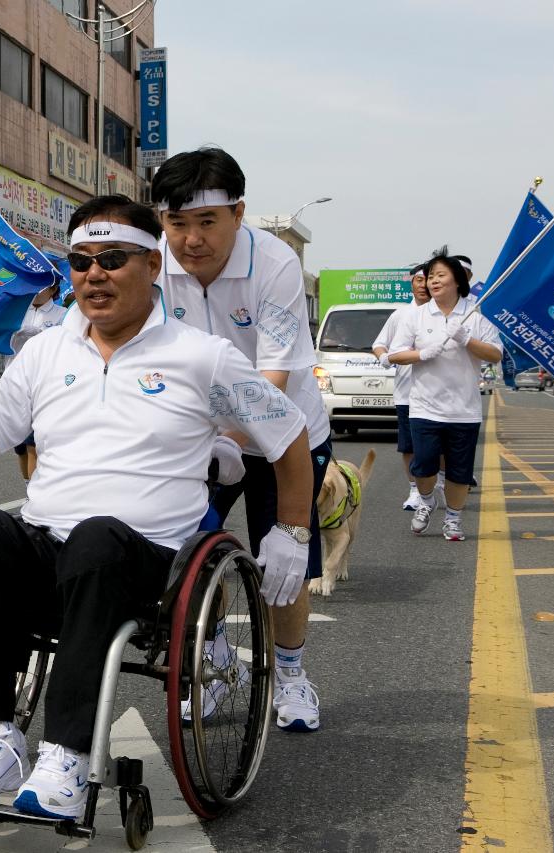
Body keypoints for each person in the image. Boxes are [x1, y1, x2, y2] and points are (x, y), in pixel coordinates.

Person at [0, 195, 314, 819]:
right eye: (82, 261)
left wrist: (293, 530)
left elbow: (288, 433)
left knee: (96, 539)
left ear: (151, 264)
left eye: (113, 259)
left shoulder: (202, 356)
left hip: (147, 566)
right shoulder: (46, 352)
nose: (94, 275)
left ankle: (65, 752)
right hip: (51, 553)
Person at [151, 147, 332, 733]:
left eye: (207, 222)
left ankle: (292, 673)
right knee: (183, 559)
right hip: (198, 438)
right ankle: (214, 656)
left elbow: (273, 384)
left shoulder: (274, 264)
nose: (191, 240)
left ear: (238, 213)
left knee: (283, 571)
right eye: (177, 223)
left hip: (285, 439)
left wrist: (232, 435)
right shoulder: (152, 265)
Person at [388, 250, 502, 541]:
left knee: (459, 471)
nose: (433, 282)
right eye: (430, 277)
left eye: (441, 275)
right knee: (423, 463)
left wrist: (466, 339)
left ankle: (453, 518)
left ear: (457, 281)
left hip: (464, 409)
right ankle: (426, 500)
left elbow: (495, 354)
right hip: (425, 406)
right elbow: (395, 354)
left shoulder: (475, 315)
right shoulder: (416, 316)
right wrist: (421, 353)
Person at [373, 264, 431, 510]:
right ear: (412, 283)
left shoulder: (443, 314)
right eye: (419, 280)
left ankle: (434, 486)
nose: (423, 285)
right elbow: (379, 345)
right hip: (407, 394)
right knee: (408, 446)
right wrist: (385, 358)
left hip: (436, 394)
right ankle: (415, 490)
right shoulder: (400, 315)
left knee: (433, 448)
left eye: (428, 280)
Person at [7, 283, 68, 479]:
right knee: (20, 447)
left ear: (53, 289)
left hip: (45, 384)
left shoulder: (63, 314)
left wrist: (42, 336)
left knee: (33, 444)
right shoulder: (17, 312)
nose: (35, 290)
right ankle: (28, 486)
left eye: (41, 286)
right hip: (15, 383)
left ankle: (33, 494)